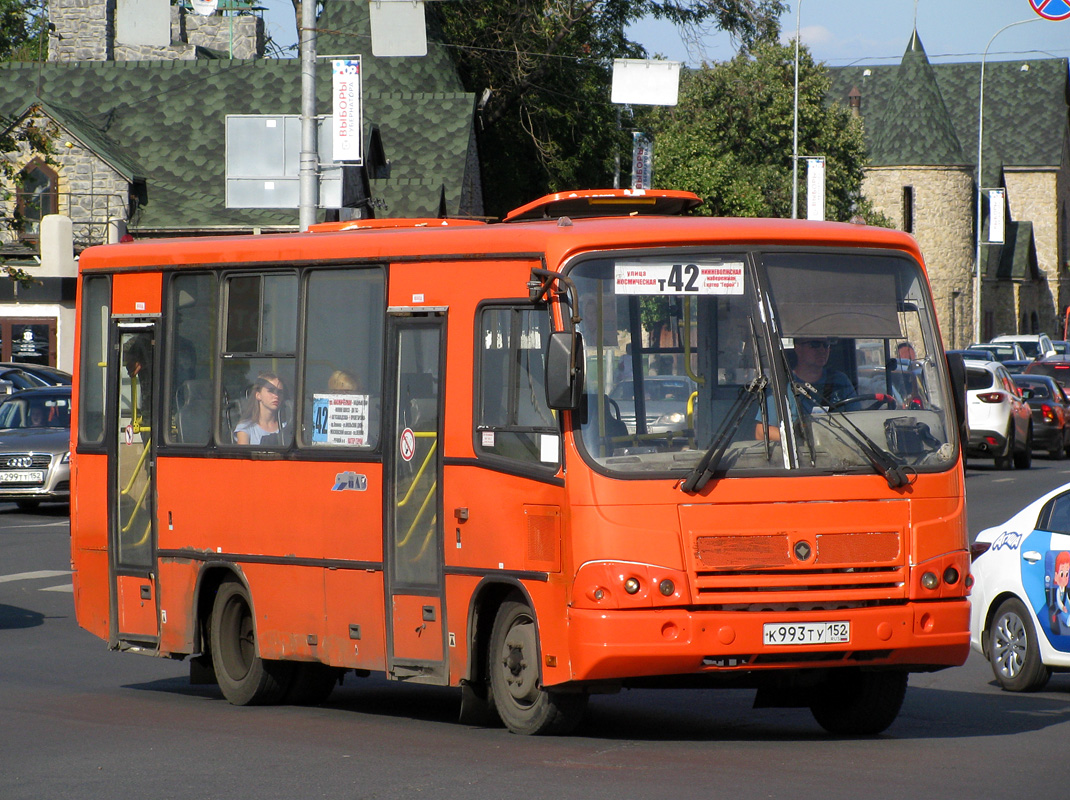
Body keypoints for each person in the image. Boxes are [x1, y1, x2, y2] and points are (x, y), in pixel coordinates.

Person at [755, 338, 856, 440]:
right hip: (800, 453)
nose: (822, 350)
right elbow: (762, 432)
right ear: (798, 348)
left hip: (839, 449)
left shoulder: (840, 381)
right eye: (815, 344)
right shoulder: (782, 384)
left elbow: (857, 418)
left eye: (826, 345)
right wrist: (801, 439)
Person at [235, 372, 288, 445]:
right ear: (258, 395)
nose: (276, 396)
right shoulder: (245, 427)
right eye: (271, 390)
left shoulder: (286, 427)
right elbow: (242, 455)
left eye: (279, 392)